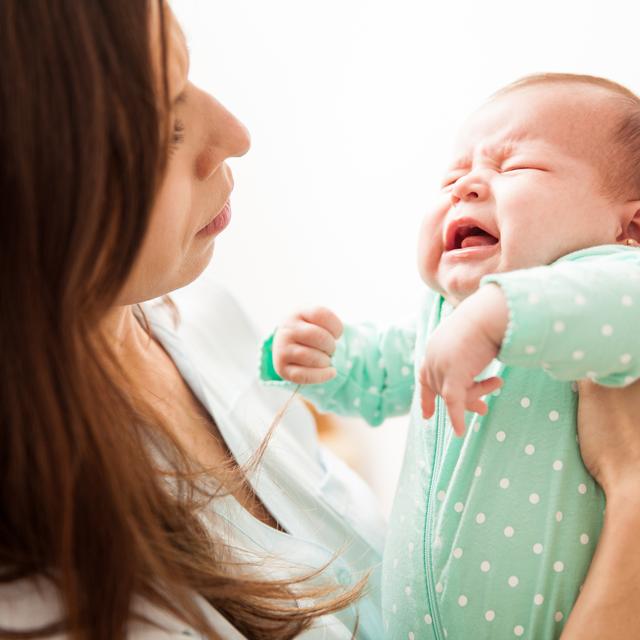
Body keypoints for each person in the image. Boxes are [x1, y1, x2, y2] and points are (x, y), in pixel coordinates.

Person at [0, 2, 385, 638]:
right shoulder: (50, 591)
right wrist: (618, 504)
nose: (235, 134)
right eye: (166, 129)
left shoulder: (205, 320)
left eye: (188, 74)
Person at [262, 73, 640, 638]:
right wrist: (318, 356)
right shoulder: (437, 315)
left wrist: (497, 315)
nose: (466, 186)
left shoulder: (605, 279)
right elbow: (381, 373)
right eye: (452, 176)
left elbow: (621, 308)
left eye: (516, 168)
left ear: (628, 225)